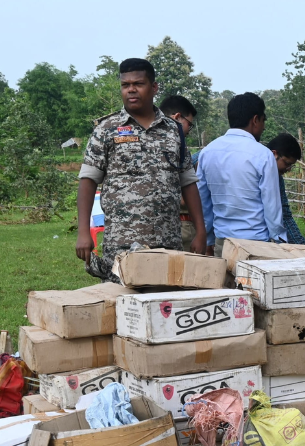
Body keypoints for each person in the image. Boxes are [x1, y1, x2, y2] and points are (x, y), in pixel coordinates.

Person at [75, 59, 205, 282]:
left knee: (164, 303)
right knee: (122, 306)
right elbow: (88, 180)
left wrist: (201, 231)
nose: (131, 90)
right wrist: (83, 232)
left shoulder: (173, 131)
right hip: (121, 244)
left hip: (168, 242)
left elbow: (188, 181)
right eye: (125, 85)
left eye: (138, 83)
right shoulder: (107, 129)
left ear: (154, 87)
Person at [196, 93, 284, 257]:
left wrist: (208, 240)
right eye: (263, 121)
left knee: (224, 283)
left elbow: (204, 202)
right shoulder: (263, 155)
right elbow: (272, 207)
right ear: (255, 119)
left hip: (223, 242)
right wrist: (279, 241)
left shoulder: (208, 152)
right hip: (255, 245)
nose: (264, 127)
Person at [158, 95, 203, 253]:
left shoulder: (181, 150)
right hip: (179, 228)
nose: (188, 132)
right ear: (177, 117)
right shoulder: (177, 149)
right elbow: (186, 198)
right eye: (189, 125)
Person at [267, 132, 305, 245]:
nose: (288, 169)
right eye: (287, 163)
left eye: (291, 166)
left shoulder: (277, 179)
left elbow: (285, 214)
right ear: (274, 154)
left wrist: (301, 245)